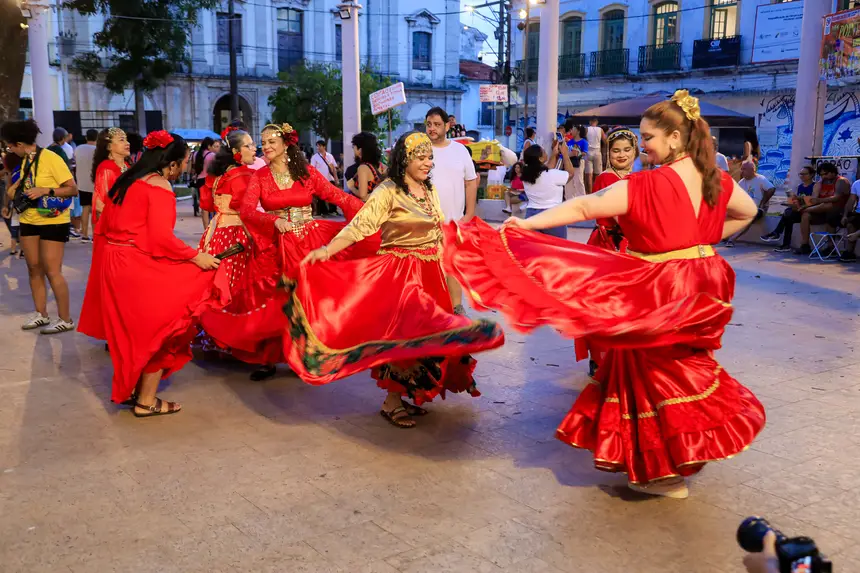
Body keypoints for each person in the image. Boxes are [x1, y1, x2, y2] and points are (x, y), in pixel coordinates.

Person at [444, 90, 766, 499]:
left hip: (663, 282)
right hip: (705, 278)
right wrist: (701, 243)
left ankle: (665, 469)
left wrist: (526, 226)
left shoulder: (647, 182)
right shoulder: (713, 177)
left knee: (654, 372)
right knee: (671, 365)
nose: (642, 144)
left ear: (674, 138)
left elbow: (583, 209)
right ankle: (668, 462)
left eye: (648, 137)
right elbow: (748, 213)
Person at [290, 131, 505, 428]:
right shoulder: (388, 191)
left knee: (428, 338)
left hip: (432, 273)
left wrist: (457, 262)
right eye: (421, 157)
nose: (428, 163)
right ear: (404, 160)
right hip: (402, 276)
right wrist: (327, 250)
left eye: (430, 157)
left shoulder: (429, 190)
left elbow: (439, 229)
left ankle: (408, 394)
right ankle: (391, 403)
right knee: (404, 339)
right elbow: (360, 226)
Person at [201, 122, 371, 382]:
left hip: (308, 241)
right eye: (263, 142)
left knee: (305, 301)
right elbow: (247, 211)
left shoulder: (306, 172)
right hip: (277, 245)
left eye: (271, 142)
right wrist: (273, 221)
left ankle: (302, 356)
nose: (265, 146)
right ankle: (267, 359)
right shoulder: (260, 177)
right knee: (271, 300)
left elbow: (338, 196)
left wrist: (372, 213)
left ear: (285, 144)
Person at [96, 131, 225, 416]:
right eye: (185, 161)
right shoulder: (159, 186)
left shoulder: (126, 180)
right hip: (135, 264)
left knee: (132, 333)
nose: (186, 167)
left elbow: (104, 224)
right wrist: (196, 256)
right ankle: (146, 400)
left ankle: (133, 389)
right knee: (165, 326)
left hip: (113, 262)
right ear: (173, 163)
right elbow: (161, 239)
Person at [1, 119, 79, 334]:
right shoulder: (23, 160)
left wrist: (46, 190)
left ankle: (65, 319)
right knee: (34, 269)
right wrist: (12, 194)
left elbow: (72, 189)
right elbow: (19, 188)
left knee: (53, 271)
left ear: (19, 143)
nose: (9, 149)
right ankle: (41, 314)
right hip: (28, 220)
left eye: (10, 145)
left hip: (53, 221)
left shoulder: (51, 158)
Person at [575, 127, 638, 376]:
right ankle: (600, 359)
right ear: (607, 152)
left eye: (626, 150)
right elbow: (617, 215)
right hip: (608, 247)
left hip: (630, 246)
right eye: (615, 150)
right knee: (603, 306)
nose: (621, 155)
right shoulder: (606, 178)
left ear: (635, 151)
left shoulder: (638, 177)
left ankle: (623, 359)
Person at [195, 127, 256, 357]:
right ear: (237, 151)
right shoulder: (243, 175)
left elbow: (207, 204)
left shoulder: (218, 174)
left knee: (216, 283)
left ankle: (213, 335)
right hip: (237, 233)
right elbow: (247, 210)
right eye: (249, 145)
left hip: (216, 231)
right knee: (237, 285)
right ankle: (231, 337)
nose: (254, 148)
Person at [78, 127, 131, 343]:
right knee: (113, 285)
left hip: (125, 231)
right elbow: (101, 205)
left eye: (126, 138)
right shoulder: (107, 168)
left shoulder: (126, 166)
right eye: (121, 139)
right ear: (109, 146)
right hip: (112, 234)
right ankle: (114, 333)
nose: (126, 142)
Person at [425, 107, 478, 315]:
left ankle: (456, 309)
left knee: (452, 267)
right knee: (429, 270)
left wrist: (469, 214)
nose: (432, 129)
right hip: (424, 224)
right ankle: (431, 311)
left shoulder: (460, 151)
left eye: (437, 124)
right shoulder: (419, 151)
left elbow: (471, 183)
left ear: (447, 126)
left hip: (454, 223)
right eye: (429, 124)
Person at [520, 139, 575, 239]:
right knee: (557, 248)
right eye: (544, 152)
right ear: (540, 159)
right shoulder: (551, 175)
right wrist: (565, 154)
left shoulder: (526, 176)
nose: (546, 153)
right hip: (553, 215)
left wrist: (554, 154)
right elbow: (570, 174)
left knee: (535, 250)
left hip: (532, 215)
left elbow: (547, 168)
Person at [794, 162, 850, 255]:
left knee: (828, 206)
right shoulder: (820, 183)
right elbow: (814, 199)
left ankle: (830, 247)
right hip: (822, 210)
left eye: (825, 174)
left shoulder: (841, 181)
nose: (823, 177)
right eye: (821, 175)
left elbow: (836, 198)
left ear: (832, 172)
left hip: (837, 210)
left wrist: (818, 201)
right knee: (806, 215)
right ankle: (805, 245)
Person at [761, 164, 816, 251]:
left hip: (809, 211)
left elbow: (813, 200)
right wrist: (792, 201)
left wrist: (799, 200)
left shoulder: (815, 186)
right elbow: (798, 201)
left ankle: (779, 236)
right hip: (799, 210)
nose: (802, 176)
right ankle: (783, 241)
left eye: (804, 174)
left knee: (787, 214)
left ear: (811, 175)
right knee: (788, 214)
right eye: (800, 174)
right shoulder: (800, 187)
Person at [724, 162, 775, 247]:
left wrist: (762, 203)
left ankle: (732, 239)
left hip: (758, 209)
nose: (742, 171)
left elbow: (771, 189)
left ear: (752, 170)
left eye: (744, 169)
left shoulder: (760, 179)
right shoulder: (741, 182)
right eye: (742, 169)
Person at [74, 129, 98, 243]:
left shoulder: (78, 149)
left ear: (86, 137)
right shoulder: (97, 150)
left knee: (85, 208)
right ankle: (94, 234)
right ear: (97, 138)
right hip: (94, 183)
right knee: (94, 210)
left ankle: (84, 234)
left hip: (82, 183)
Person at [347, 131, 383, 201]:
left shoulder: (363, 168)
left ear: (360, 150)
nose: (353, 150)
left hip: (368, 209)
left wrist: (351, 187)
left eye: (353, 147)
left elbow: (363, 195)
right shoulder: (382, 167)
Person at [192, 137, 221, 222]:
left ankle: (206, 228)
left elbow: (194, 168)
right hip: (209, 181)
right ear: (209, 146)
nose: (213, 148)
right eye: (212, 146)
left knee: (204, 207)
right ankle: (213, 225)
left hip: (199, 180)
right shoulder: (212, 156)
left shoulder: (196, 154)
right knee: (212, 204)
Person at [310, 140, 340, 216]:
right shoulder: (315, 157)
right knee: (321, 196)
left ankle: (333, 210)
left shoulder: (330, 156)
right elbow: (312, 170)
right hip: (320, 180)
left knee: (332, 195)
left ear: (324, 146)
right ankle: (323, 211)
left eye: (320, 146)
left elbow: (334, 168)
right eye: (317, 146)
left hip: (330, 179)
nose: (318, 147)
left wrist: (336, 179)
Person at [563, 122, 588, 199]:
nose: (571, 131)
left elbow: (585, 153)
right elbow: (566, 151)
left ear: (578, 131)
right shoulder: (570, 141)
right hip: (569, 162)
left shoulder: (584, 141)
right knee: (569, 180)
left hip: (578, 162)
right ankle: (569, 198)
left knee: (578, 180)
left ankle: (581, 198)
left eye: (573, 130)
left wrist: (577, 154)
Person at [838, 179, 860, 262]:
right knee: (850, 224)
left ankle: (856, 234)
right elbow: (851, 201)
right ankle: (849, 252)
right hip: (858, 213)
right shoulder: (857, 183)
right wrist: (845, 215)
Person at [585, 116, 606, 192]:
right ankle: (597, 191)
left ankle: (590, 192)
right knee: (597, 174)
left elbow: (583, 140)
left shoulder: (586, 129)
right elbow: (605, 141)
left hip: (588, 152)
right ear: (596, 122)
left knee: (589, 174)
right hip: (597, 152)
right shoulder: (600, 130)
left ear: (590, 122)